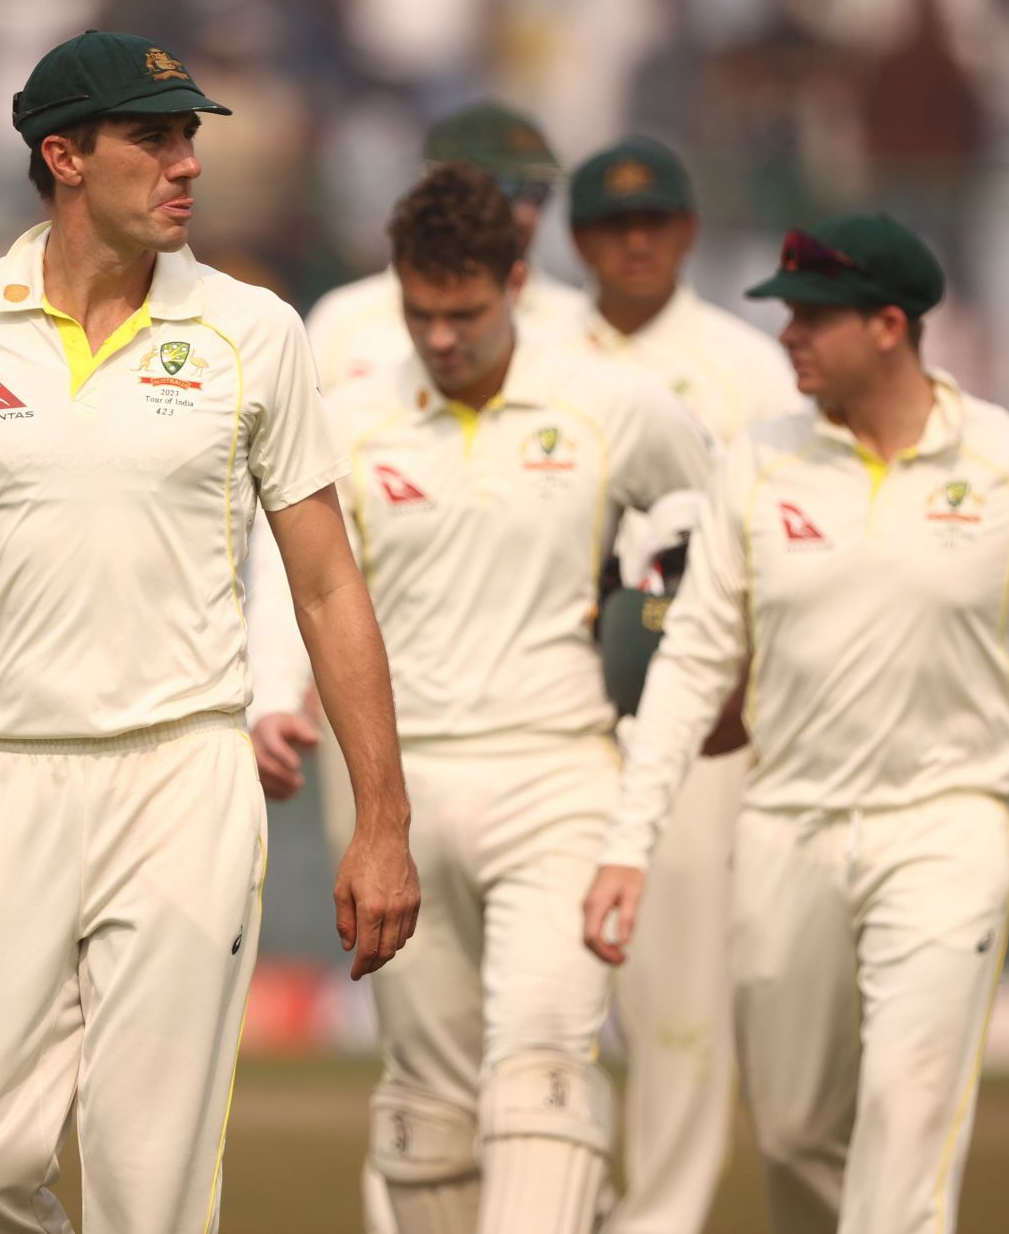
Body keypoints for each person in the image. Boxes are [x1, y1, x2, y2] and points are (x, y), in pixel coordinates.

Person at [0, 31, 420, 1234]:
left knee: (150, 1197)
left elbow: (331, 587)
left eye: (190, 133)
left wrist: (383, 819)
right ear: (63, 155)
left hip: (183, 777)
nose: (187, 160)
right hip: (0, 773)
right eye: (155, 135)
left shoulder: (256, 332)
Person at [583, 213, 1009, 1233]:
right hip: (787, 823)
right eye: (784, 315)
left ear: (887, 325)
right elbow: (694, 665)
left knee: (906, 1115)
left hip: (947, 826)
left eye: (812, 318)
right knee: (791, 1128)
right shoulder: (758, 463)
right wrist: (628, 845)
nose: (787, 337)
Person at [249, 162, 711, 1233]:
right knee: (426, 1103)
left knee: (544, 1067)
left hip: (561, 766)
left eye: (464, 313)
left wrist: (692, 645)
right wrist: (273, 691)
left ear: (515, 280)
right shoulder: (349, 418)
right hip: (392, 790)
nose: (442, 337)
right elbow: (293, 573)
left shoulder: (613, 404)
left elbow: (715, 530)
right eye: (419, 312)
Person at [566, 135, 798, 1234]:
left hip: (699, 719)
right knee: (541, 1003)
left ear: (691, 228)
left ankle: (656, 1219)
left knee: (679, 1007)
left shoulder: (747, 367)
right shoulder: (533, 350)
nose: (638, 238)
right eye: (616, 223)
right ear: (576, 240)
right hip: (556, 709)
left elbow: (781, 549)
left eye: (656, 217)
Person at [303, 101, 592, 393]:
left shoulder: (582, 325)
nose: (526, 213)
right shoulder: (343, 321)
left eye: (538, 192)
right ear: (433, 185)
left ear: (515, 284)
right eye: (504, 187)